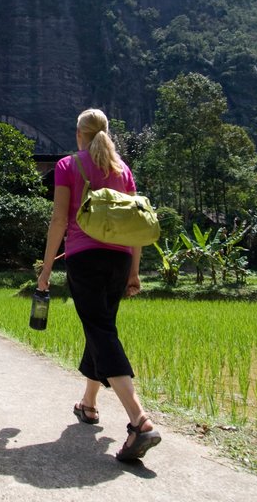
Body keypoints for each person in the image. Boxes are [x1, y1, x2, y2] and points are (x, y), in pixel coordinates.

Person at [36, 108, 161, 462]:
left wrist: (45, 271)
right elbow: (136, 226)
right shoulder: (123, 169)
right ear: (105, 133)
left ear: (79, 135)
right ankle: (88, 404)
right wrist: (134, 271)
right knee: (102, 327)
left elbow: (59, 220)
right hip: (119, 261)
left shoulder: (67, 165)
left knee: (100, 329)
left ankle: (140, 421)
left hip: (84, 259)